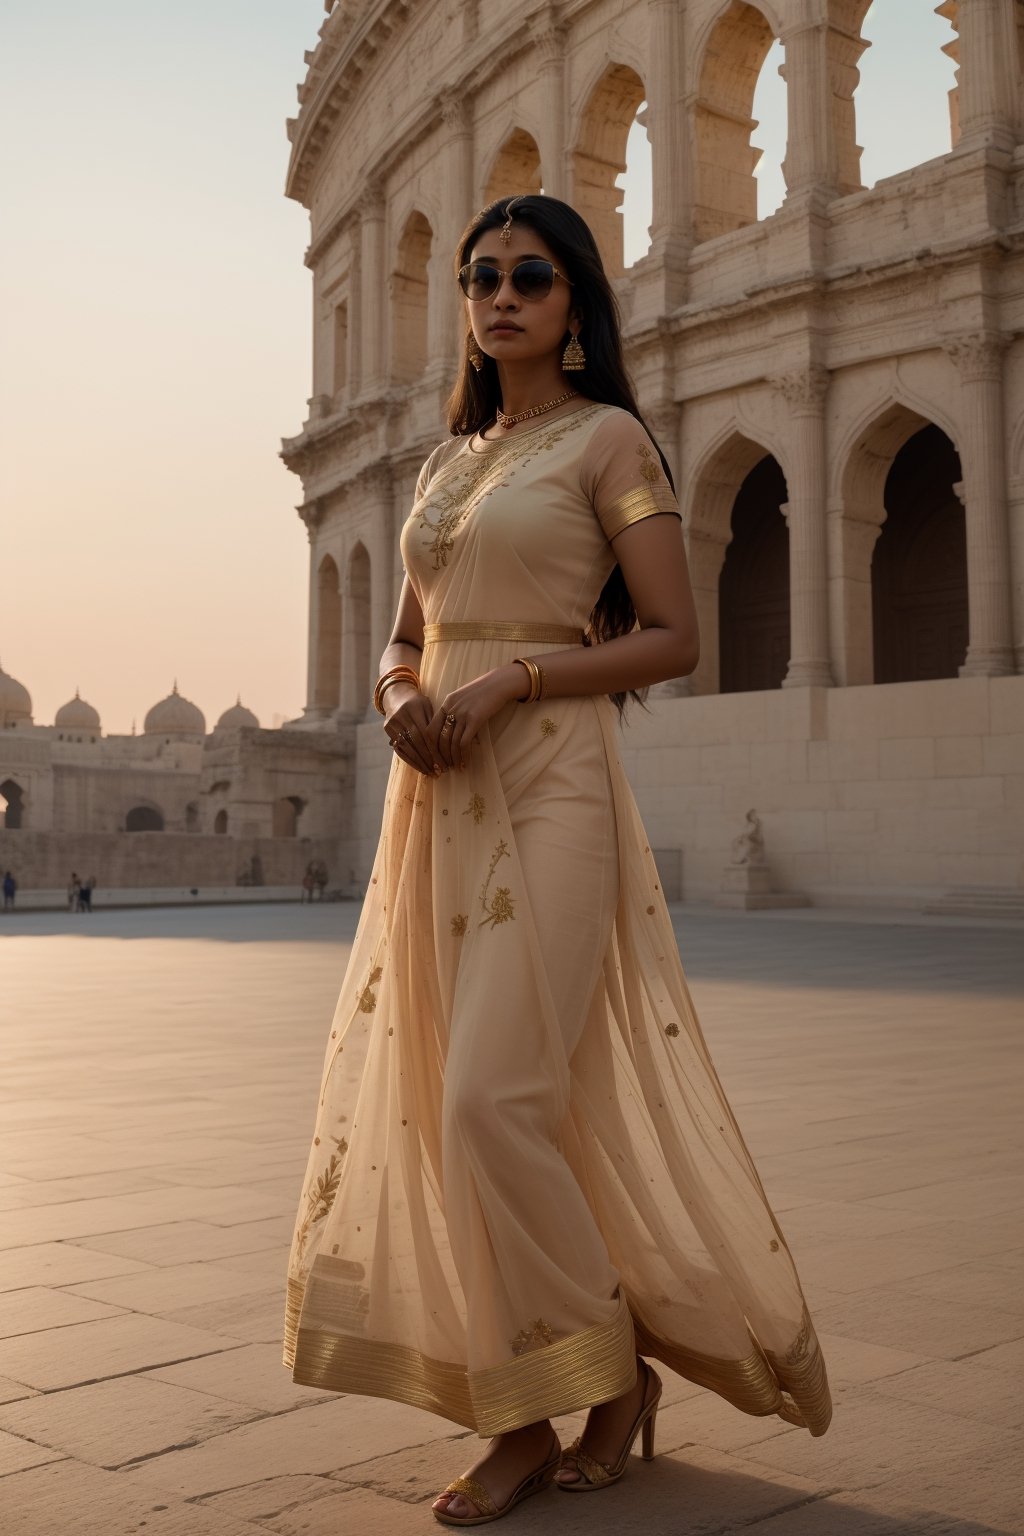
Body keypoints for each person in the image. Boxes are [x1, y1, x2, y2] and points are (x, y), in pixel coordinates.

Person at [283, 194, 831, 1529]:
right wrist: (399, 691)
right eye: (481, 278)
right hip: (439, 802)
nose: (501, 295)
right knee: (444, 1089)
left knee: (489, 1097)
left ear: (577, 303)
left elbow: (672, 636)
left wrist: (515, 681)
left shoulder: (608, 442)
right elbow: (407, 632)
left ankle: (557, 1394)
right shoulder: (444, 463)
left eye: (531, 275)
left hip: (553, 785)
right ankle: (572, 1386)